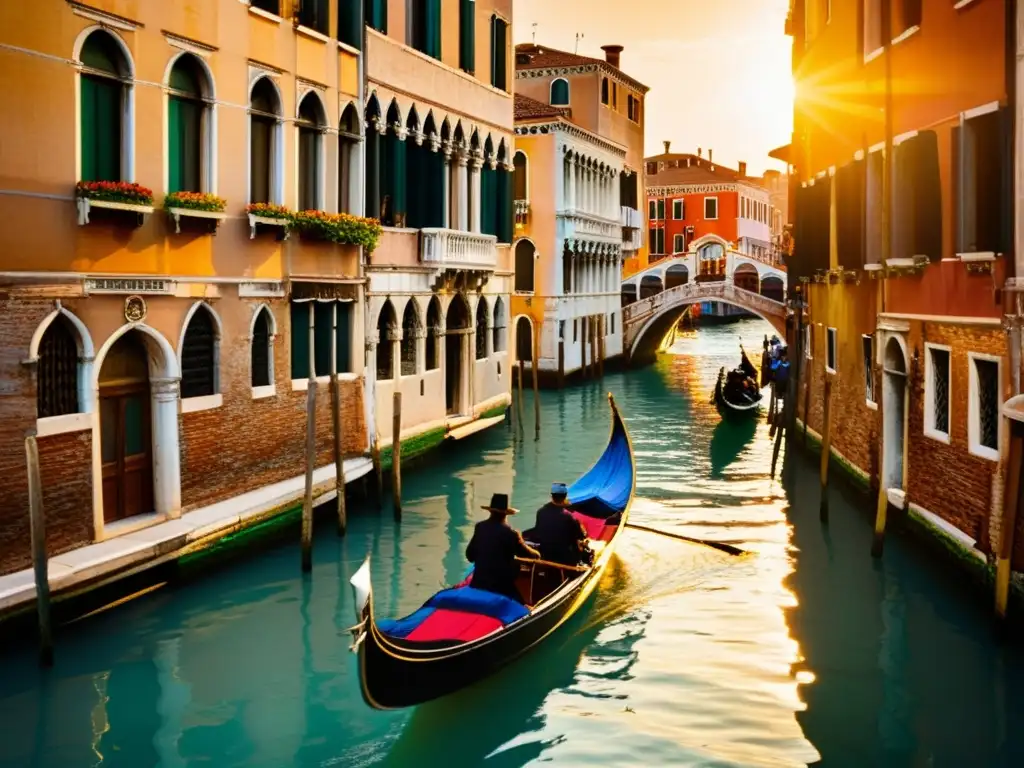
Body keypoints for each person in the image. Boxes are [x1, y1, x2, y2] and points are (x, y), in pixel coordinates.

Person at [465, 493, 539, 603]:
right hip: (501, 587)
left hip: (478, 582)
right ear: (506, 514)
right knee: (523, 604)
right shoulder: (511, 533)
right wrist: (526, 545)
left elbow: (469, 556)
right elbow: (533, 556)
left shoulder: (480, 527)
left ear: (490, 511)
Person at [523, 483, 592, 567]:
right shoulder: (568, 516)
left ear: (552, 496)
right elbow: (580, 536)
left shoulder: (541, 512)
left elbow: (539, 531)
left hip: (546, 554)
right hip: (564, 558)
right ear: (565, 496)